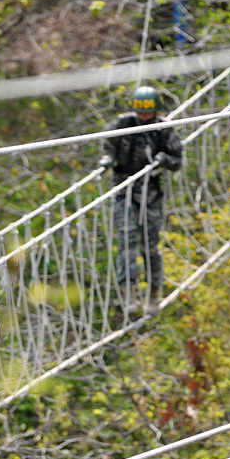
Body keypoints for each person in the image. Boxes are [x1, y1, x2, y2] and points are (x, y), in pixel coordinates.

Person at [98, 85, 184, 316]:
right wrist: (107, 161)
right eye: (141, 114)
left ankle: (154, 294)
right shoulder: (122, 124)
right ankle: (129, 293)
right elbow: (108, 147)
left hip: (151, 193)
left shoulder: (164, 128)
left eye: (149, 114)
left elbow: (178, 160)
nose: (145, 118)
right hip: (124, 191)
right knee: (126, 241)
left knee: (150, 245)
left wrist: (163, 159)